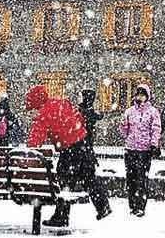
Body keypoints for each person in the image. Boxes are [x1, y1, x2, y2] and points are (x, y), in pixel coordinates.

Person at [25, 84, 112, 227]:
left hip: (69, 149)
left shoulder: (43, 114)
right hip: (83, 143)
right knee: (88, 176)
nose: (34, 111)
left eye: (33, 107)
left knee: (64, 181)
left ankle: (61, 216)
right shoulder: (61, 102)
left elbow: (35, 139)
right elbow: (80, 118)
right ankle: (103, 205)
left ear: (36, 102)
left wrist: (29, 153)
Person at [118, 84, 161, 217]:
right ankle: (132, 206)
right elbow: (124, 132)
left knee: (141, 178)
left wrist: (154, 144)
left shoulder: (153, 112)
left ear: (147, 96)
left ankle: (140, 206)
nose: (140, 97)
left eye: (143, 94)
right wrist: (123, 125)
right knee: (131, 179)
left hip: (144, 150)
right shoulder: (129, 111)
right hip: (130, 148)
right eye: (138, 94)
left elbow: (156, 128)